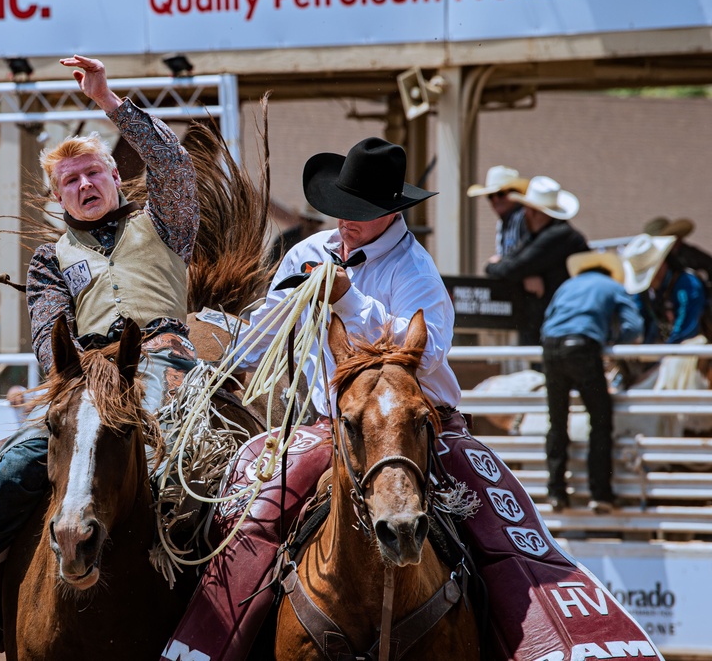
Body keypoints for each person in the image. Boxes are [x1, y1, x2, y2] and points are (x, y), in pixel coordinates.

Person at [167, 139, 661, 661]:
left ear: (391, 213)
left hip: (425, 425)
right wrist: (201, 357)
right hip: (330, 424)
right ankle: (201, 646)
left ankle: (557, 645)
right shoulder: (306, 255)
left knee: (503, 525)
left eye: (358, 213)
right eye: (340, 208)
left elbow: (420, 357)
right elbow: (267, 335)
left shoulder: (417, 272)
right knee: (255, 513)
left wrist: (347, 298)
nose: (343, 221)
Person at [0, 54, 202, 661]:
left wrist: (110, 102)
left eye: (93, 173)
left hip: (174, 374)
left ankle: (251, 611)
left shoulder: (167, 224)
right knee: (10, 474)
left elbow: (173, 166)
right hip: (88, 385)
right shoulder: (50, 260)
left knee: (237, 480)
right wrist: (72, 386)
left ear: (116, 177)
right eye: (71, 182)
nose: (86, 186)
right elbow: (49, 341)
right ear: (58, 197)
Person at [540, 250, 643, 514]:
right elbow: (633, 326)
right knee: (599, 420)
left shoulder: (567, 285)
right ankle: (600, 494)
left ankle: (556, 491)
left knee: (557, 421)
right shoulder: (612, 286)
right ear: (610, 271)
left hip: (550, 349)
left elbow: (547, 320)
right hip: (583, 348)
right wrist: (610, 341)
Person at [484, 175, 590, 346]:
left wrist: (493, 265)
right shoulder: (541, 234)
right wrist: (525, 274)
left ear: (534, 212)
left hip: (564, 327)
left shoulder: (557, 236)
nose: (524, 213)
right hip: (553, 323)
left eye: (527, 209)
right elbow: (515, 265)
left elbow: (510, 269)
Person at [623, 232, 707, 345]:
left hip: (694, 347)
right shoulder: (646, 292)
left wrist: (666, 351)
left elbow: (686, 327)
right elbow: (643, 318)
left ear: (662, 265)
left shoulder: (688, 285)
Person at [468, 164, 530, 259]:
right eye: (490, 196)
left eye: (500, 194)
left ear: (515, 193)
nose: (495, 200)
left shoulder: (525, 218)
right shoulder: (502, 222)